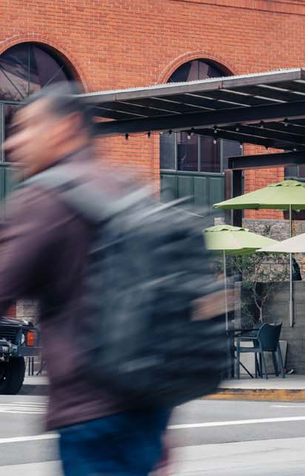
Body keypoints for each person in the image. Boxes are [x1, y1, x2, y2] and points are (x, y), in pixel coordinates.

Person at [0, 84, 172, 475]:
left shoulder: (44, 200)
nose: (13, 144)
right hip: (148, 405)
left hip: (90, 414)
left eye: (26, 129)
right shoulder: (129, 188)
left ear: (67, 127)